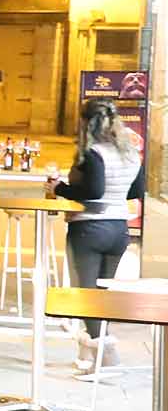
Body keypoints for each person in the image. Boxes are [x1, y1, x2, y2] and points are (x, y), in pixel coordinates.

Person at [50, 97, 145, 371]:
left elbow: (92, 191)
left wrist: (60, 188)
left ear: (85, 122)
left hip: (89, 228)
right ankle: (88, 354)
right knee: (102, 293)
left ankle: (107, 352)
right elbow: (136, 191)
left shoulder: (94, 153)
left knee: (86, 294)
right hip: (118, 228)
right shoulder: (130, 153)